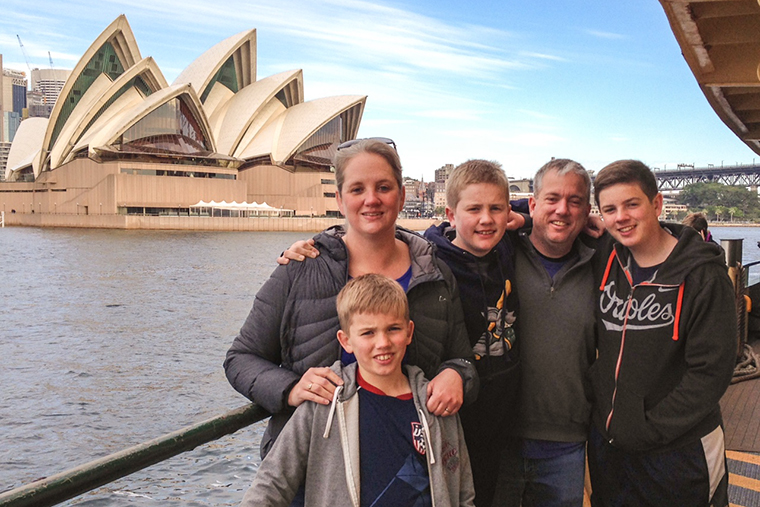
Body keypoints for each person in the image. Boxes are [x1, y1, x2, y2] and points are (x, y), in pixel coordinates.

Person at [224, 138, 477, 463]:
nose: (371, 200)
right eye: (357, 189)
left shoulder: (434, 272)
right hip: (313, 466)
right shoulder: (300, 269)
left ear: (401, 197)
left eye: (383, 187)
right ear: (340, 200)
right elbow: (241, 358)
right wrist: (290, 388)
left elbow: (463, 359)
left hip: (406, 469)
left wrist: (456, 374)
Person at [240, 274, 475, 507]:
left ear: (409, 332)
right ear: (345, 341)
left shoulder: (437, 403)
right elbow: (273, 482)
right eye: (368, 333)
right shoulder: (324, 401)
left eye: (393, 329)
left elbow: (462, 492)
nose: (382, 342)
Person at [589, 159, 736, 507]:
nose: (621, 217)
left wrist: (647, 431)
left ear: (656, 204)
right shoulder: (606, 257)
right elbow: (554, 218)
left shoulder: (704, 277)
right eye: (610, 209)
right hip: (610, 449)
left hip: (679, 454)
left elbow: (711, 372)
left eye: (631, 204)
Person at [492, 158, 598, 507]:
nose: (563, 210)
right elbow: (447, 236)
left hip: (566, 446)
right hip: (499, 438)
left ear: (587, 213)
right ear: (533, 205)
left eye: (575, 201)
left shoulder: (603, 267)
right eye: (552, 199)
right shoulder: (497, 255)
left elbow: (656, 233)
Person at [424, 159, 520, 507]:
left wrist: (523, 215)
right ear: (450, 214)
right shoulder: (428, 263)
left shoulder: (507, 247)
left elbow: (547, 206)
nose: (486, 219)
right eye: (474, 209)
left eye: (496, 209)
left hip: (505, 422)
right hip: (453, 421)